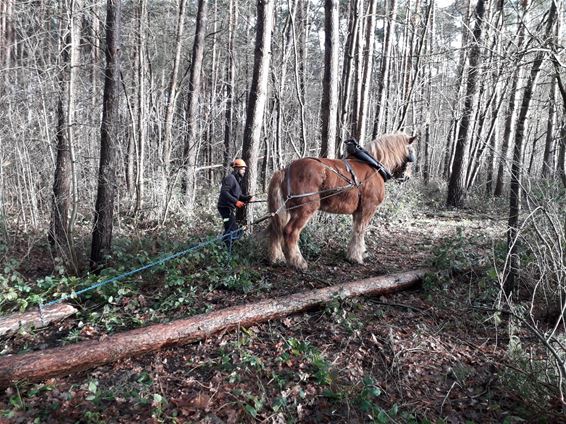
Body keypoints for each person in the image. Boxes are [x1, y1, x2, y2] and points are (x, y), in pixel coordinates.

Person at [217, 159, 253, 248]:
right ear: (237, 169)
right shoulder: (230, 178)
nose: (244, 171)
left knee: (230, 228)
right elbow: (224, 192)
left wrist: (247, 198)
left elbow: (238, 195)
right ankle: (227, 250)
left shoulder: (236, 180)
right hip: (225, 208)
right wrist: (236, 202)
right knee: (231, 229)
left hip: (228, 208)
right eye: (243, 169)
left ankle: (224, 247)